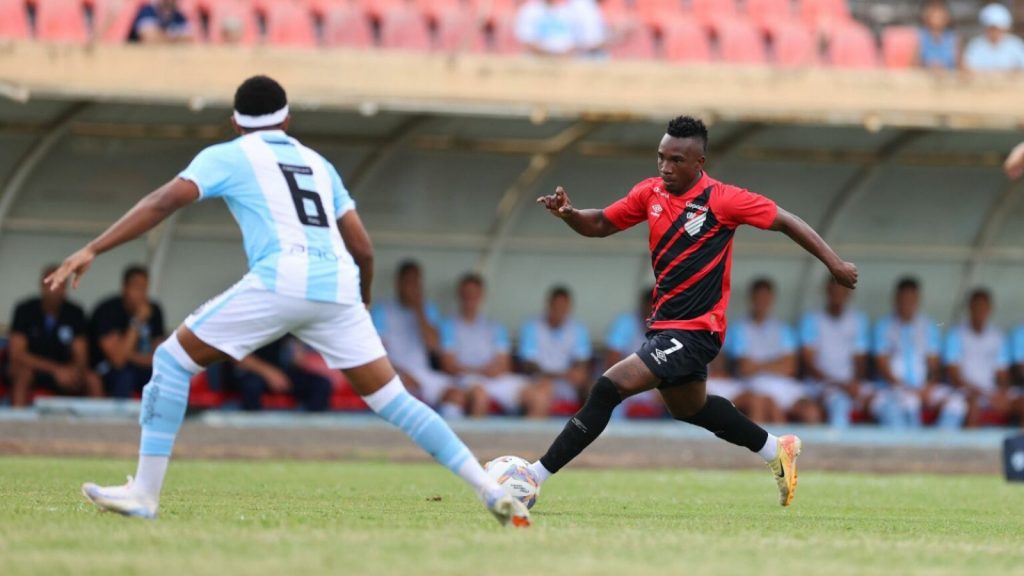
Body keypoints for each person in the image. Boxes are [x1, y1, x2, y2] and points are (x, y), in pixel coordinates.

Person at [52, 76, 529, 526]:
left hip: (281, 279)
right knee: (395, 401)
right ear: (287, 121)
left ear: (236, 124)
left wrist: (93, 247)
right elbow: (362, 248)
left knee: (172, 361)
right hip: (339, 284)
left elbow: (162, 202)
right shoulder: (319, 164)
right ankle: (487, 487)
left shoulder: (232, 153)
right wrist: (360, 303)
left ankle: (145, 496)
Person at [531, 116, 858, 507]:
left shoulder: (723, 199)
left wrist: (834, 264)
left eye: (676, 160)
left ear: (699, 162)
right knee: (692, 408)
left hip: (698, 330)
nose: (665, 167)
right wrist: (569, 214)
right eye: (661, 158)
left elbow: (786, 220)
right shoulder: (649, 193)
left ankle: (533, 476)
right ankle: (776, 449)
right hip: (665, 327)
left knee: (607, 387)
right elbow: (600, 223)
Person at [371, 261, 464, 419]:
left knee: (456, 394)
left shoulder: (427, 309)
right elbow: (376, 353)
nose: (411, 287)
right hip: (392, 373)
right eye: (408, 281)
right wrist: (399, 373)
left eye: (415, 282)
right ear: (398, 283)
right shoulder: (382, 310)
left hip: (423, 373)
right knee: (403, 395)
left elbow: (434, 347)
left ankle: (445, 441)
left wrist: (419, 311)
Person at [729, 278, 822, 424]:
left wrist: (759, 365)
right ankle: (775, 447)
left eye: (766, 298)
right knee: (765, 407)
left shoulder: (783, 329)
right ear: (751, 299)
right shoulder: (739, 328)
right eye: (759, 297)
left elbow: (790, 368)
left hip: (784, 386)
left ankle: (810, 447)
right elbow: (745, 368)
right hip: (755, 385)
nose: (762, 302)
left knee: (811, 411)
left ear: (772, 299)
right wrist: (776, 362)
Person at [7, 265, 101, 407]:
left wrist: (72, 371)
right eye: (52, 283)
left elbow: (81, 355)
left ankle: (99, 425)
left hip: (65, 370)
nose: (56, 289)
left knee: (93, 379)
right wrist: (56, 370)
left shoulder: (75, 312)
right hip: (33, 369)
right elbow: (17, 354)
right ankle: (17, 421)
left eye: (61, 285)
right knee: (22, 375)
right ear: (42, 285)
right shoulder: (24, 310)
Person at [439, 273, 526, 417]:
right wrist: (478, 371)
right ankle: (474, 440)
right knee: (480, 394)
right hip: (465, 379)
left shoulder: (494, 326)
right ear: (460, 295)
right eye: (466, 294)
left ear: (481, 296)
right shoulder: (449, 325)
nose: (470, 298)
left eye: (474, 294)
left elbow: (504, 364)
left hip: (494, 379)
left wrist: (491, 371)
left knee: (538, 394)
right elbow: (448, 365)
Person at [871, 278, 944, 428]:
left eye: (911, 299)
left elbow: (934, 365)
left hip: (923, 388)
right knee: (907, 404)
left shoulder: (928, 326)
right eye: (904, 298)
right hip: (892, 389)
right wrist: (908, 389)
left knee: (956, 406)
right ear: (896, 299)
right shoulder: (884, 326)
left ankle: (944, 447)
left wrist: (928, 387)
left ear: (918, 300)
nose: (907, 303)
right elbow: (882, 365)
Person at [799, 278, 870, 428]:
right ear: (827, 292)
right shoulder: (812, 320)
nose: (838, 296)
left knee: (887, 402)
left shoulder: (858, 320)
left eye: (841, 292)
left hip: (850, 384)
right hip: (821, 384)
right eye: (834, 291)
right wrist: (839, 384)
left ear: (848, 294)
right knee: (839, 403)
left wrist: (855, 382)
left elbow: (860, 360)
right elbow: (809, 363)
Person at [944, 289, 1019, 427]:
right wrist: (985, 394)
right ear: (969, 307)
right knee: (973, 403)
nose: (980, 310)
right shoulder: (956, 334)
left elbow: (1002, 374)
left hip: (991, 391)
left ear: (990, 309)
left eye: (984, 307)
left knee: (1020, 402)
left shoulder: (997, 336)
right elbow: (955, 377)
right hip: (966, 391)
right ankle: (971, 447)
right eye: (977, 306)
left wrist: (1002, 393)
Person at [90, 266, 166, 399]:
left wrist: (128, 354)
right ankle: (119, 420)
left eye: (145, 288)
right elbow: (118, 360)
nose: (142, 294)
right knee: (125, 376)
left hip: (142, 367)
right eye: (137, 288)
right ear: (124, 287)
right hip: (107, 368)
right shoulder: (108, 310)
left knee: (165, 376)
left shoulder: (154, 310)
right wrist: (137, 321)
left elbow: (160, 357)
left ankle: (161, 418)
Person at [518, 286, 592, 418]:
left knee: (596, 387)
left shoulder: (577, 329)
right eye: (556, 306)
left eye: (563, 307)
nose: (559, 311)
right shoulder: (532, 326)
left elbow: (581, 366)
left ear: (569, 308)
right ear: (549, 305)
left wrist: (576, 374)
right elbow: (530, 367)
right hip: (535, 382)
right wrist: (562, 374)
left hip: (567, 387)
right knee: (544, 390)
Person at [605, 287, 664, 418]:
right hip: (626, 380)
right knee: (612, 394)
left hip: (654, 386)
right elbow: (612, 363)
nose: (653, 313)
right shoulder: (625, 323)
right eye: (651, 307)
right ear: (643, 305)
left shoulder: (667, 325)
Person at [233, 336, 332, 412]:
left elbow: (297, 358)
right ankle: (253, 431)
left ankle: (310, 429)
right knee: (251, 386)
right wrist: (269, 373)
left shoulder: (285, 319)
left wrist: (298, 353)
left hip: (281, 373)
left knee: (321, 384)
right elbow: (236, 357)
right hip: (251, 373)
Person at [963, 3, 1024, 71]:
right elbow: (967, 69)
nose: (994, 32)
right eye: (991, 28)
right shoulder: (975, 45)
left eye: (997, 28)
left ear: (1005, 28)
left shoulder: (1016, 44)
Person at [515, 0, 580, 56]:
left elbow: (581, 41)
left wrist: (565, 53)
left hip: (568, 59)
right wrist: (549, 53)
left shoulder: (573, 10)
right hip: (537, 59)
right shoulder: (530, 10)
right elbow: (527, 40)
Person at [916, 0, 959, 69]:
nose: (937, 18)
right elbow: (914, 63)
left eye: (940, 15)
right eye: (934, 15)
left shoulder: (953, 39)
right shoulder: (920, 37)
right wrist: (929, 65)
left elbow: (959, 65)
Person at [127, 0, 193, 43]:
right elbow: (150, 39)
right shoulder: (147, 11)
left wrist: (161, 36)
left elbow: (189, 40)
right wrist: (175, 38)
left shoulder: (179, 16)